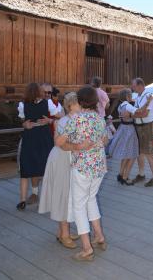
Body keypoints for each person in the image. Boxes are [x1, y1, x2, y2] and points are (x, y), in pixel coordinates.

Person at [58, 86, 109, 262]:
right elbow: (105, 139)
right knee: (91, 199)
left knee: (79, 206)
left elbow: (59, 142)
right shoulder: (100, 119)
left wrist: (75, 146)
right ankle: (99, 236)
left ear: (79, 101)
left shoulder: (76, 120)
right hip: (99, 166)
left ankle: (87, 248)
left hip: (82, 167)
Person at [38, 92, 91, 249]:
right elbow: (60, 143)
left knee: (68, 194)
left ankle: (61, 231)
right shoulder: (64, 121)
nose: (81, 106)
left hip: (68, 159)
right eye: (78, 104)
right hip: (62, 159)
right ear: (71, 106)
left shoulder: (74, 120)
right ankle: (64, 234)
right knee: (63, 194)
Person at [16, 83, 55, 209]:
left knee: (26, 166)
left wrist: (25, 124)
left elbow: (22, 119)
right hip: (44, 136)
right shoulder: (47, 103)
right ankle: (50, 197)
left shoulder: (22, 105)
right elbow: (59, 115)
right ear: (40, 91)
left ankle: (22, 200)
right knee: (46, 164)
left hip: (30, 136)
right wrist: (49, 121)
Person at [129, 78, 153, 187]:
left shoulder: (148, 96)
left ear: (140, 85)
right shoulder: (139, 96)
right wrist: (134, 114)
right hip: (140, 126)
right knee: (140, 152)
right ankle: (141, 174)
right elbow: (139, 112)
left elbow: (144, 114)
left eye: (133, 86)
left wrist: (131, 115)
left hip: (146, 126)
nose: (132, 88)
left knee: (148, 152)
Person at [110, 89, 139, 185]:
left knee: (126, 154)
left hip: (123, 128)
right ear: (127, 96)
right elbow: (138, 112)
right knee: (132, 154)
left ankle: (121, 174)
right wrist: (146, 104)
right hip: (129, 129)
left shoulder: (120, 105)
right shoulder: (128, 106)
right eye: (130, 95)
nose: (131, 96)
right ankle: (125, 177)